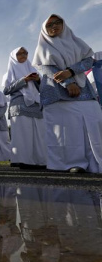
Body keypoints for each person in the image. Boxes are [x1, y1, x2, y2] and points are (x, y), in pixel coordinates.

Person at [33, 14, 102, 173]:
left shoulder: (76, 42)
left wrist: (70, 71)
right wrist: (68, 83)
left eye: (57, 22)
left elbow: (88, 60)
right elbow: (45, 67)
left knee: (93, 123)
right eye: (49, 25)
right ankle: (71, 163)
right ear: (44, 29)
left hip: (84, 90)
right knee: (66, 129)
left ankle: (94, 161)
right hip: (56, 93)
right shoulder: (43, 47)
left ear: (64, 24)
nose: (54, 26)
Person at [3, 47, 47, 169]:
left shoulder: (32, 68)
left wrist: (38, 80)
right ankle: (23, 160)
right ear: (14, 56)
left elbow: (42, 89)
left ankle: (39, 160)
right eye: (19, 53)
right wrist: (24, 80)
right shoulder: (10, 72)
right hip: (19, 106)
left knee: (38, 133)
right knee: (23, 134)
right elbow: (7, 90)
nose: (23, 55)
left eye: (25, 53)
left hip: (35, 104)